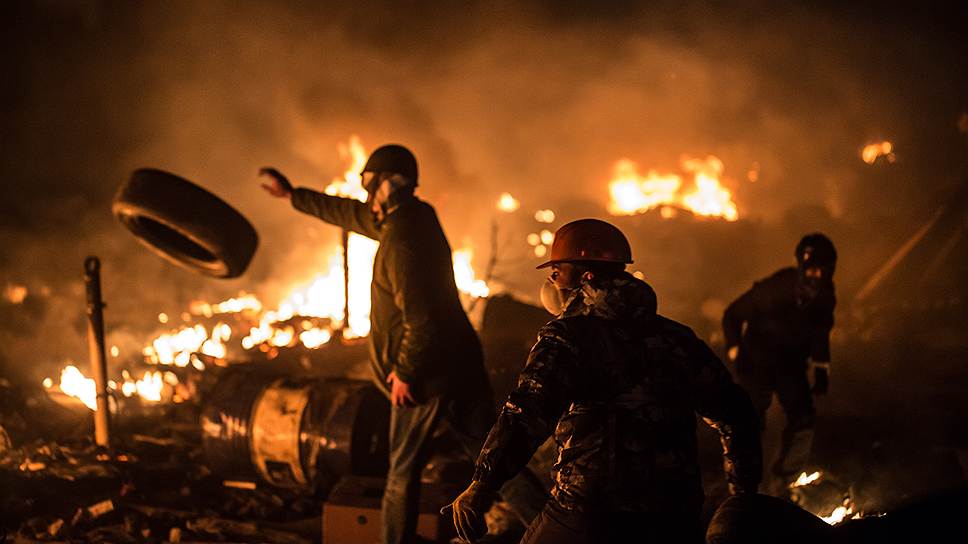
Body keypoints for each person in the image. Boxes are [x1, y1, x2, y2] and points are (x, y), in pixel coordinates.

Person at [260, 145, 544, 544]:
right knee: (490, 459)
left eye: (367, 185)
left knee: (401, 472)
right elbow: (351, 215)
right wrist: (294, 196)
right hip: (459, 359)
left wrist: (407, 374)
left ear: (385, 185)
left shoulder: (401, 242)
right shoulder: (414, 216)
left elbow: (422, 321)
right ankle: (553, 528)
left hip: (428, 373)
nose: (364, 195)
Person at [443, 219, 762, 544]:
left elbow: (525, 416)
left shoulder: (567, 338)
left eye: (557, 271)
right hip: (674, 512)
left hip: (591, 509)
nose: (550, 280)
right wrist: (742, 495)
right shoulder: (675, 338)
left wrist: (482, 484)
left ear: (587, 278)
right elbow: (736, 415)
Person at [722, 233, 837, 494]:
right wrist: (735, 351)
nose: (818, 276)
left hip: (790, 365)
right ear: (802, 266)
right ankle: (742, 489)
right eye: (813, 269)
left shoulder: (825, 297)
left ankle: (783, 484)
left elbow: (821, 333)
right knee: (747, 423)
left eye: (825, 270)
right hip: (756, 362)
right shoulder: (774, 288)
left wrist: (821, 370)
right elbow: (733, 314)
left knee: (804, 420)